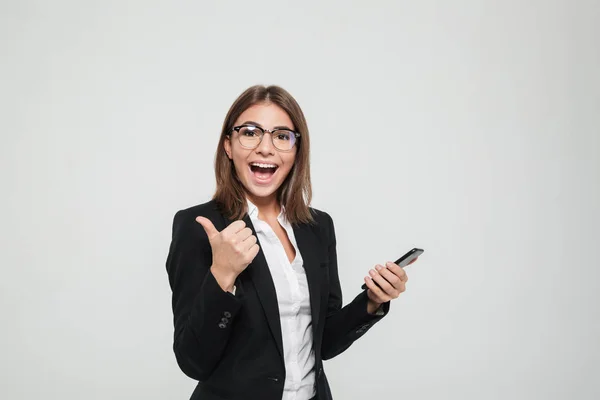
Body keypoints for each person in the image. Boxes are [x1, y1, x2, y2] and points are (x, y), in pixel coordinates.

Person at [165, 85, 413, 400]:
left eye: (282, 136)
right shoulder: (200, 227)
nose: (265, 148)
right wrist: (222, 275)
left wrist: (373, 301)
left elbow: (325, 342)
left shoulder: (317, 227)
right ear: (228, 145)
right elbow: (192, 361)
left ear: (296, 150)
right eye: (250, 132)